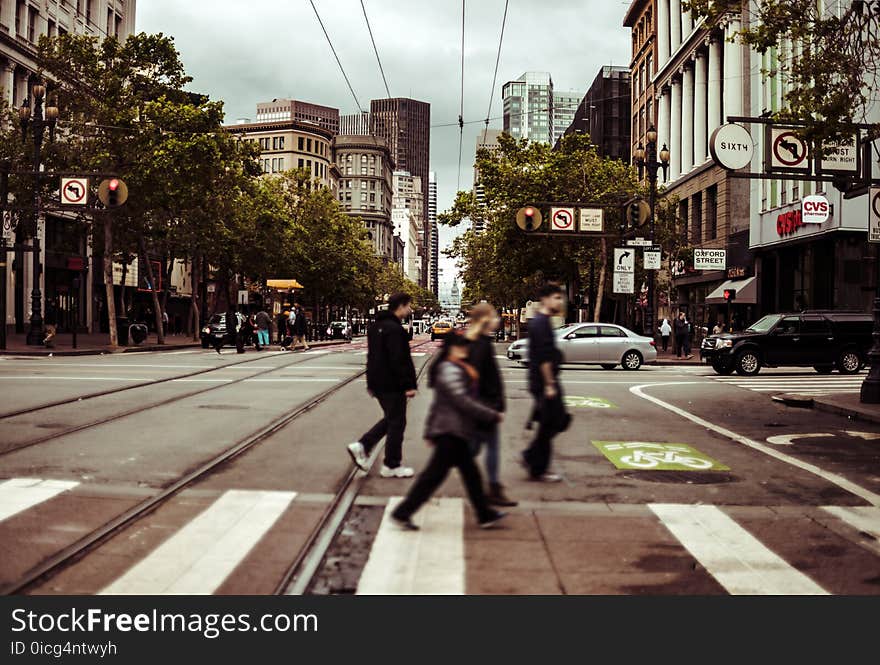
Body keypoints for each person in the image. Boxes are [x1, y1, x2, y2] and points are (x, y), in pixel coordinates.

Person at [390, 332, 507, 530]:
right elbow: (462, 401)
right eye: (461, 346)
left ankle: (484, 513)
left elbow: (438, 406)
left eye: (466, 345)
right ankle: (403, 512)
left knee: (469, 475)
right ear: (451, 348)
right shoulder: (449, 370)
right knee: (434, 476)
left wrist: (429, 430)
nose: (465, 349)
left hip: (454, 430)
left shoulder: (457, 367)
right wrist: (491, 415)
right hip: (450, 432)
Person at [346, 292, 418, 478]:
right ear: (400, 306)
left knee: (392, 419)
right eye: (408, 306)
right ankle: (391, 464)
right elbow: (400, 360)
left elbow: (373, 358)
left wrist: (371, 382)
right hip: (393, 384)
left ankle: (363, 445)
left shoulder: (375, 326)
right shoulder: (395, 330)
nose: (410, 310)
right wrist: (409, 384)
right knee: (397, 422)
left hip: (379, 383)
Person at [466, 303, 516, 507]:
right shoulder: (481, 344)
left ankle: (493, 488)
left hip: (484, 406)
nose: (498, 318)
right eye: (494, 315)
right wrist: (493, 406)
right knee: (474, 450)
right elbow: (478, 378)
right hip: (485, 407)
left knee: (475, 448)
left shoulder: (479, 342)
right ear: (486, 319)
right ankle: (493, 488)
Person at [522, 283, 568, 483]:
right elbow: (544, 358)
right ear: (546, 299)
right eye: (557, 298)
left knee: (552, 422)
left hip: (543, 381)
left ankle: (533, 459)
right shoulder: (540, 323)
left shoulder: (543, 322)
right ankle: (536, 464)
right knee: (554, 422)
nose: (560, 301)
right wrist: (549, 384)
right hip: (544, 382)